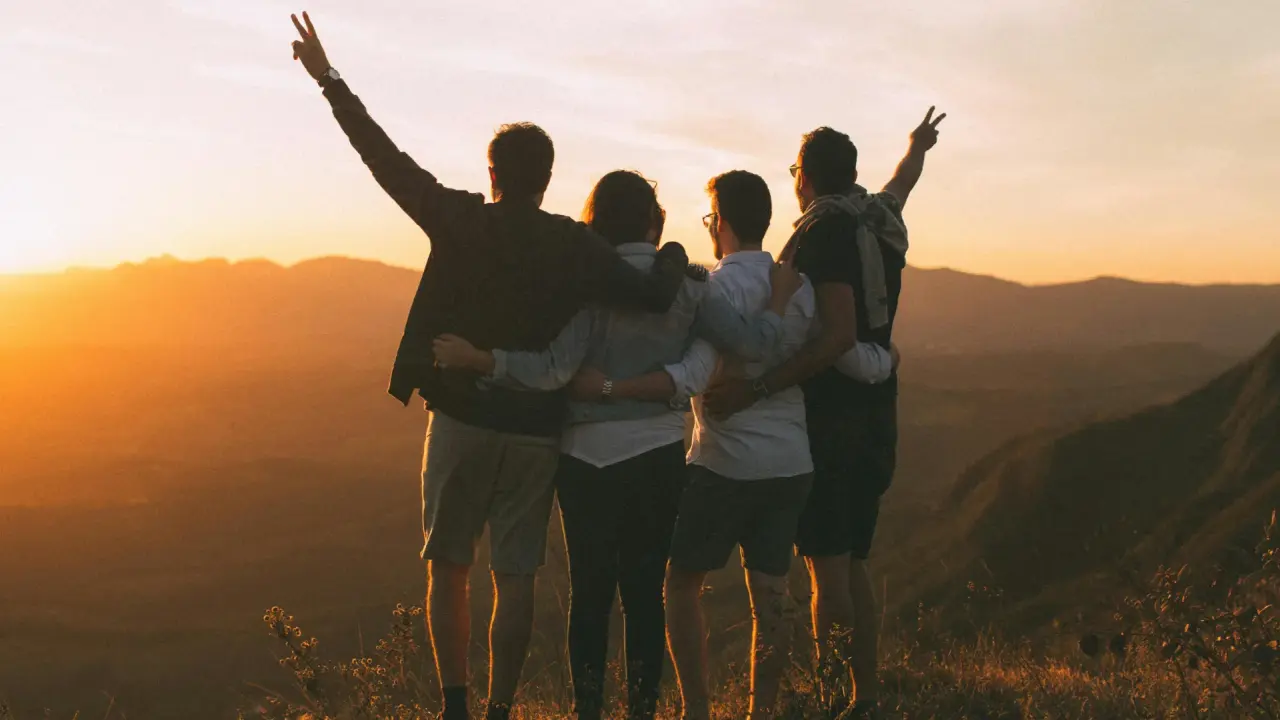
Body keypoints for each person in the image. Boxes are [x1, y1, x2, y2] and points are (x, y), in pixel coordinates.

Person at [287, 14, 692, 720]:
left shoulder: (457, 218)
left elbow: (383, 159)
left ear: (494, 173)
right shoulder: (574, 244)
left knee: (449, 566)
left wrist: (330, 79)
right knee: (517, 574)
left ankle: (456, 706)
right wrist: (678, 253)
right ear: (549, 178)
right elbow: (652, 292)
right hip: (538, 433)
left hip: (462, 417)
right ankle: (503, 706)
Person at [431, 169, 803, 720]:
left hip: (583, 458)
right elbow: (749, 346)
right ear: (655, 223)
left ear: (594, 223)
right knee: (645, 597)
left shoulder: (583, 286)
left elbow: (553, 369)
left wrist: (485, 362)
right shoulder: (691, 284)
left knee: (590, 596)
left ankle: (588, 711)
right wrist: (776, 302)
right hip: (655, 454)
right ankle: (642, 712)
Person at [608, 170, 882, 720]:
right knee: (772, 597)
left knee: (681, 583)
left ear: (722, 223)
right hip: (790, 462)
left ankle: (698, 709)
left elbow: (710, 368)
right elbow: (834, 350)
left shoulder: (713, 287)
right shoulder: (799, 287)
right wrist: (885, 360)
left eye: (711, 219)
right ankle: (762, 711)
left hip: (723, 463)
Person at [703, 110, 945, 719]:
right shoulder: (878, 216)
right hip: (878, 409)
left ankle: (838, 699)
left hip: (836, 419)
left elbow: (835, 334)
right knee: (851, 559)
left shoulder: (823, 235)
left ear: (804, 179)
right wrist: (916, 147)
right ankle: (862, 697)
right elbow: (903, 182)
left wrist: (758, 390)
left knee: (827, 567)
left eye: (794, 173)